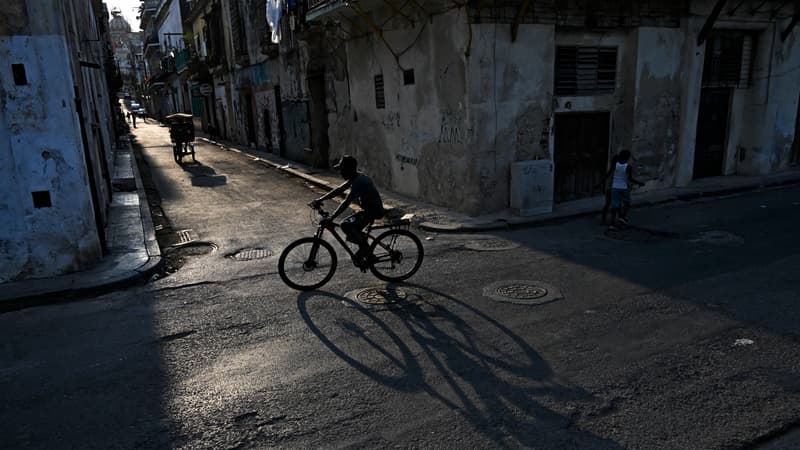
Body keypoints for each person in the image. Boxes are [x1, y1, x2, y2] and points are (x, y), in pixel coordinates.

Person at [311, 155, 384, 268]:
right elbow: (338, 190)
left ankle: (366, 250)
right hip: (368, 210)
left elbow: (346, 202)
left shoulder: (359, 181)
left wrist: (332, 217)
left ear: (350, 169)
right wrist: (320, 199)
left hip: (373, 211)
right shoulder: (355, 177)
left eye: (342, 170)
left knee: (345, 225)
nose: (341, 173)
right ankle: (365, 250)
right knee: (352, 231)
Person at [605, 149, 644, 229]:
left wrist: (600, 183)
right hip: (623, 188)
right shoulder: (628, 167)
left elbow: (608, 174)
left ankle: (612, 223)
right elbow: (630, 179)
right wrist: (639, 183)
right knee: (627, 204)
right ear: (627, 157)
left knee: (614, 206)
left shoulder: (615, 165)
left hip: (615, 188)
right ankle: (622, 217)